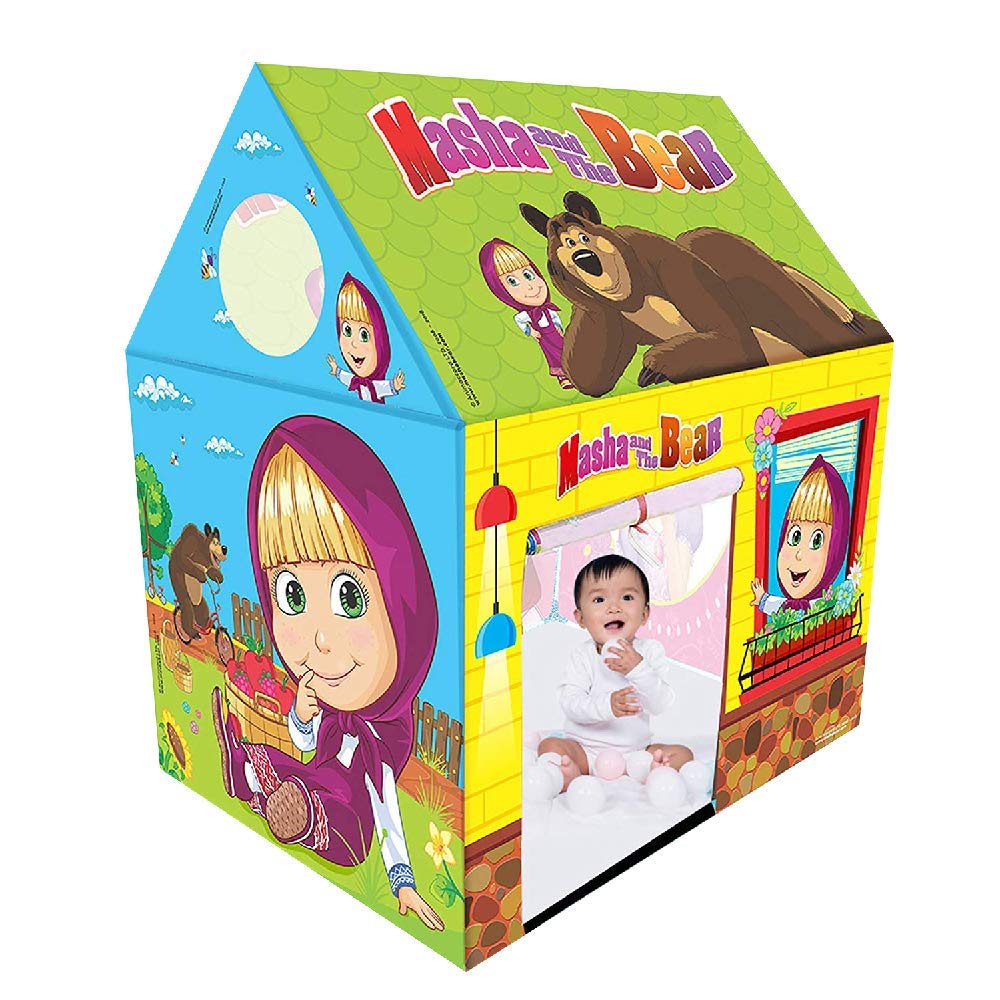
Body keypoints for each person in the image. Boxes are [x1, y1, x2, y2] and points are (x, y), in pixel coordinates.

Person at [211, 416, 442, 930]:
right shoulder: (329, 705)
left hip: (347, 819)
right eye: (291, 594)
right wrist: (301, 712)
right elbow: (305, 741)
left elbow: (387, 813)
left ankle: (300, 814)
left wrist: (403, 882)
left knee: (334, 811)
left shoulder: (381, 743)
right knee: (282, 765)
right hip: (313, 777)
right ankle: (243, 769)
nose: (318, 639)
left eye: (349, 597)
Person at [538, 554, 693, 792]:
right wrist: (607, 705)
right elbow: (570, 703)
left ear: (645, 614)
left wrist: (638, 668)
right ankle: (573, 772)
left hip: (636, 754)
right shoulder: (583, 656)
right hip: (584, 750)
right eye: (599, 599)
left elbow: (660, 704)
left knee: (684, 754)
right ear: (581, 618)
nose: (613, 607)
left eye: (627, 597)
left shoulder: (649, 652)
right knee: (549, 746)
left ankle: (655, 769)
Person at [751, 454, 850, 615]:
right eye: (795, 537)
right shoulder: (789, 607)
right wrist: (762, 599)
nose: (799, 555)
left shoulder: (824, 605)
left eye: (816, 541)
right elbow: (781, 607)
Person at [479, 239, 574, 389]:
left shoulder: (547, 308)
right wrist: (531, 331)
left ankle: (575, 369)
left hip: (555, 334)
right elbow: (520, 320)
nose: (530, 286)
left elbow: (555, 318)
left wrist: (558, 327)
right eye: (512, 281)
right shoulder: (527, 314)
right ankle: (563, 376)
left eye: (528, 275)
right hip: (544, 338)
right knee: (553, 356)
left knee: (566, 349)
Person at [327, 273, 406, 403]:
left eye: (364, 335)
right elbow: (346, 378)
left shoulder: (376, 386)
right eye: (347, 330)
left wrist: (395, 385)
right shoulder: (356, 381)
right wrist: (336, 370)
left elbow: (387, 387)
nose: (353, 343)